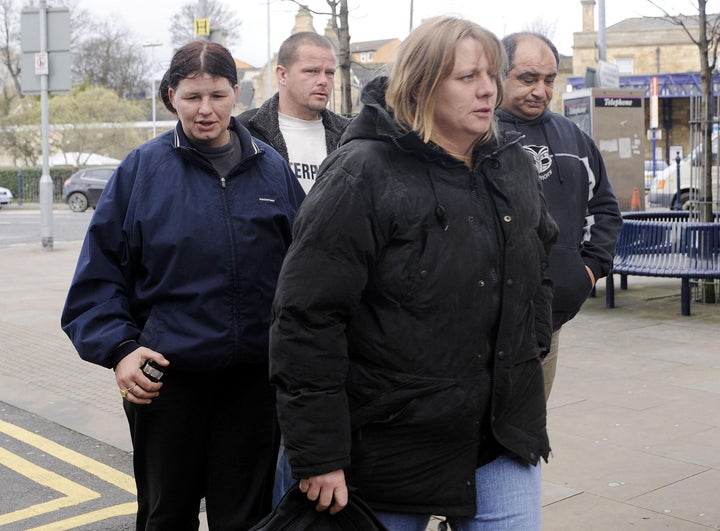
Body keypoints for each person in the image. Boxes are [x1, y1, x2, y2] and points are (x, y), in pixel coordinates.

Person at [269, 16, 558, 530]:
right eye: (467, 76)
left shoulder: (510, 165)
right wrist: (319, 453)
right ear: (422, 84)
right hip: (387, 444)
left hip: (499, 435)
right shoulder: (364, 172)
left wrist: (527, 349)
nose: (487, 89)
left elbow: (538, 269)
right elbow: (307, 318)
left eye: (492, 73)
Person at [61, 40, 304, 530]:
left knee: (246, 518)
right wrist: (122, 348)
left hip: (253, 385)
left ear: (237, 92)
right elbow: (98, 277)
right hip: (167, 383)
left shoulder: (271, 169)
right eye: (192, 97)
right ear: (171, 96)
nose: (206, 110)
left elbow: (304, 272)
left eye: (217, 94)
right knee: (166, 514)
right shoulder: (142, 171)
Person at [497, 33, 622, 399]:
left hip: (549, 319)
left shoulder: (573, 137)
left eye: (549, 80)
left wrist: (586, 271)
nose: (540, 90)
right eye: (528, 78)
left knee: (530, 428)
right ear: (499, 74)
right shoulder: (476, 133)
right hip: (485, 322)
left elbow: (605, 209)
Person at [237, 31, 350, 194]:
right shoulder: (246, 132)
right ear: (282, 75)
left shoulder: (348, 135)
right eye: (312, 71)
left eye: (330, 73)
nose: (323, 81)